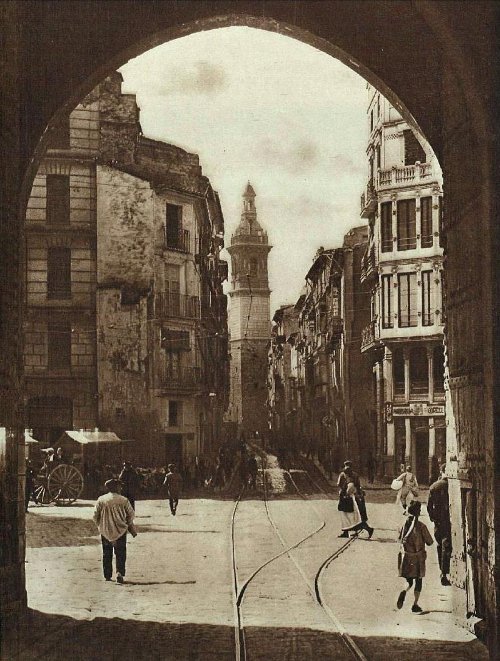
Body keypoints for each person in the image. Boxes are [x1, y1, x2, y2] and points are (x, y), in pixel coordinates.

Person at [93, 478, 137, 583]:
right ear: (116, 487)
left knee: (106, 553)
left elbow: (95, 516)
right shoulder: (123, 500)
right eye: (119, 486)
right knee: (120, 552)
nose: (121, 488)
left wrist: (101, 525)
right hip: (120, 530)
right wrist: (127, 523)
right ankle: (119, 573)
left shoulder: (101, 500)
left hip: (105, 530)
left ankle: (107, 575)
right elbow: (131, 514)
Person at [396, 500, 434, 612]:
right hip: (418, 558)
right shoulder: (421, 526)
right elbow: (430, 542)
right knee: (418, 581)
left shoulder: (403, 525)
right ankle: (415, 604)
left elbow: (399, 539)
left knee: (409, 581)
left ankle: (404, 590)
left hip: (406, 557)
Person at [427, 464, 452, 586]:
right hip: (449, 520)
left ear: (441, 472)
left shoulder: (434, 486)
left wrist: (433, 518)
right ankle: (444, 572)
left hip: (438, 521)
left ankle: (442, 572)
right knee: (446, 546)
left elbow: (428, 506)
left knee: (439, 545)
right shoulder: (451, 486)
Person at [337, 460, 374, 538]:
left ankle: (368, 529)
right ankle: (346, 532)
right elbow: (358, 486)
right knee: (348, 516)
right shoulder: (354, 475)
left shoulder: (345, 477)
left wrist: (345, 493)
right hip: (352, 498)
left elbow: (343, 486)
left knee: (350, 517)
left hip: (348, 499)